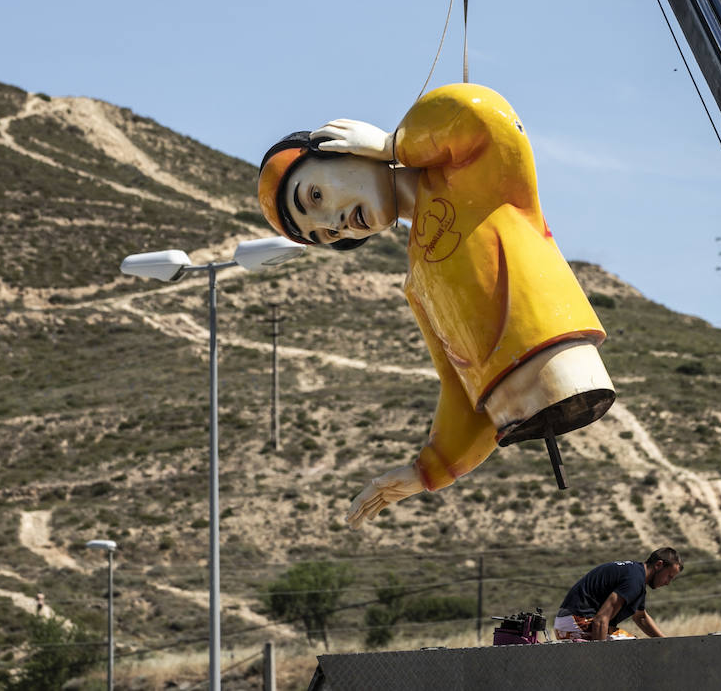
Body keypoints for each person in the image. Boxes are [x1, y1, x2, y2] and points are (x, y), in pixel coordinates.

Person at [257, 84, 617, 527]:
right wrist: (426, 470)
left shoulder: (468, 175)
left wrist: (393, 145)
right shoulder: (418, 281)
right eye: (326, 235)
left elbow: (484, 118)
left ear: (342, 147)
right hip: (512, 405)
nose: (334, 224)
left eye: (315, 197)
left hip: (569, 358)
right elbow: (460, 385)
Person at [554, 548, 683, 640]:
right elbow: (600, 620)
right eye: (669, 576)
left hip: (567, 623)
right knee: (633, 649)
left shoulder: (635, 574)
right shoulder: (634, 580)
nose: (668, 583)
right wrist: (600, 665)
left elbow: (641, 617)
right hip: (578, 623)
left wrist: (667, 642)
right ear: (659, 565)